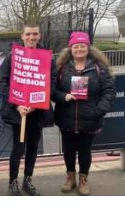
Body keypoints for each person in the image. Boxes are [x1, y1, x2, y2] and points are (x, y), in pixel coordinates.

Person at [0, 22, 57, 196]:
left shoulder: (47, 58)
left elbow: (51, 84)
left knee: (33, 147)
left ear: (39, 36)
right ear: (22, 36)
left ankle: (27, 180)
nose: (31, 37)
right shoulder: (12, 58)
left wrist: (35, 103)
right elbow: (2, 82)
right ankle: (12, 181)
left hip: (37, 112)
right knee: (18, 148)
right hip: (18, 112)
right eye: (28, 34)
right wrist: (17, 104)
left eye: (35, 34)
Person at [53, 31, 115, 196]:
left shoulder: (98, 68)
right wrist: (63, 96)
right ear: (70, 48)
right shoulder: (61, 68)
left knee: (85, 151)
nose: (79, 49)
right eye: (76, 46)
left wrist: (99, 110)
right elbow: (52, 91)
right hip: (66, 117)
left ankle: (83, 180)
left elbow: (109, 91)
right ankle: (70, 177)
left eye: (82, 46)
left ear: (88, 48)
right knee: (68, 151)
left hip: (90, 118)